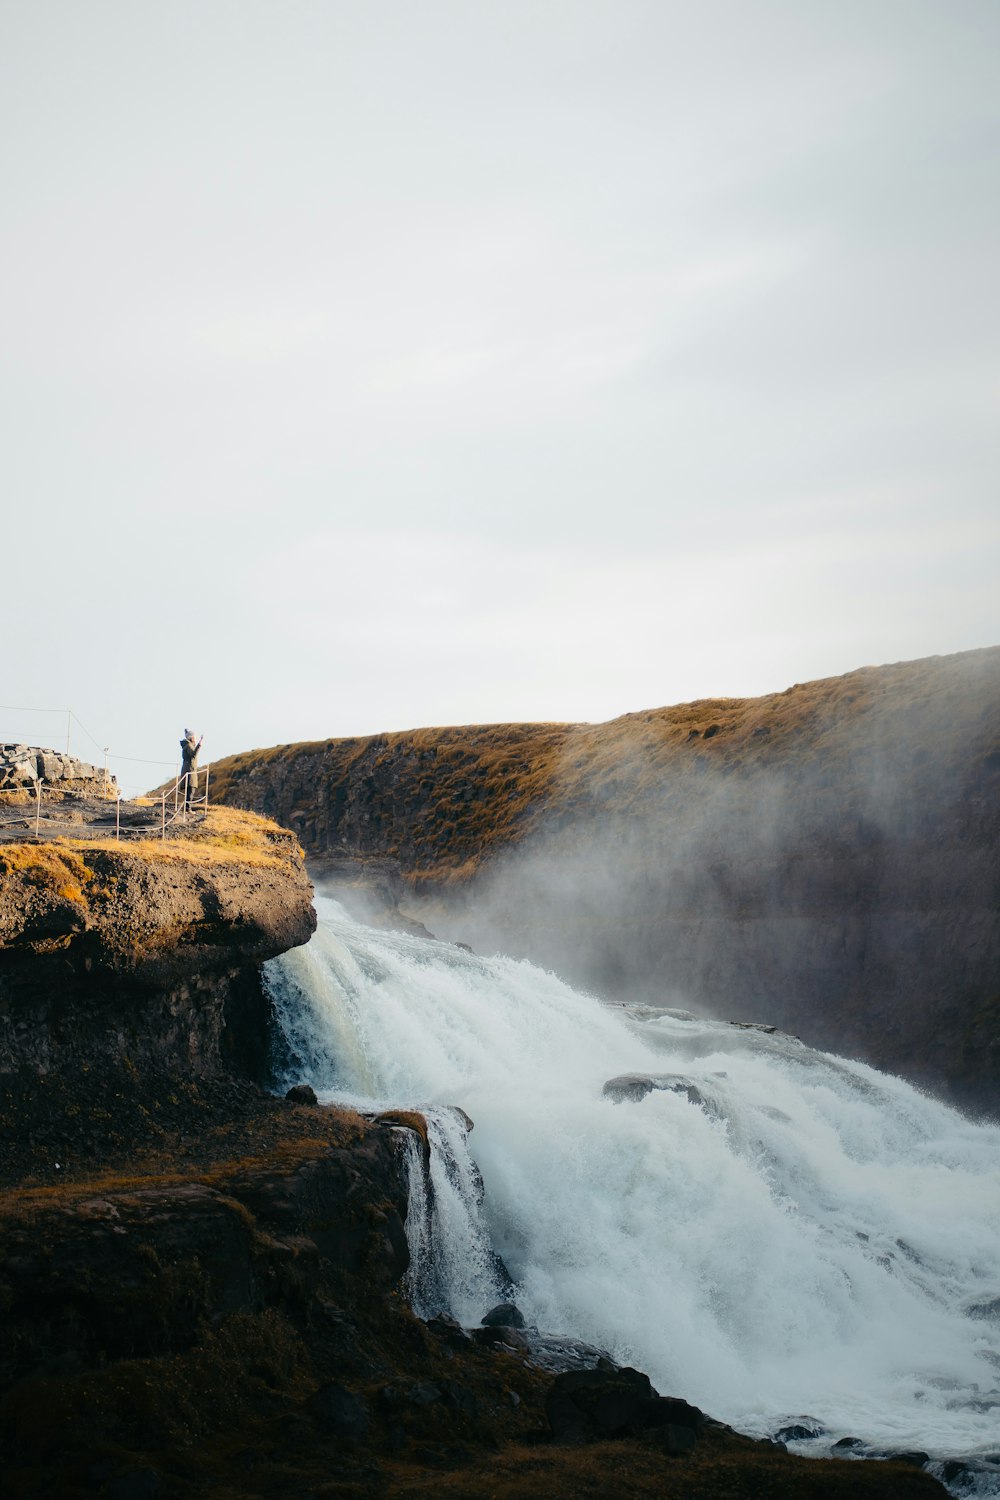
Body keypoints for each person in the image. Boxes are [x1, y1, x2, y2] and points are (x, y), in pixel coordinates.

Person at [179, 728, 203, 810]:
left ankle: (187, 808)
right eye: (194, 737)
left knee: (190, 790)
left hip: (188, 769)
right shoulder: (189, 745)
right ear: (191, 738)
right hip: (190, 770)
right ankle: (188, 809)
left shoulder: (187, 745)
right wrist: (199, 745)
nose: (195, 739)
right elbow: (193, 755)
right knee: (191, 789)